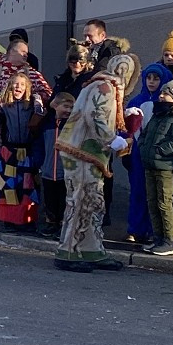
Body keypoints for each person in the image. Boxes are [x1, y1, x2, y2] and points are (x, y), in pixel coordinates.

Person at [52, 53, 139, 272]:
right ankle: (69, 251)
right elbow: (95, 116)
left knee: (92, 201)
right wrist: (113, 139)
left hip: (87, 152)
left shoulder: (104, 86)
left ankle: (91, 249)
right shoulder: (105, 87)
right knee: (81, 200)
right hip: (82, 151)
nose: (123, 74)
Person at [0, 40, 52, 213]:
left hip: (23, 133)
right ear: (11, 51)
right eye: (22, 51)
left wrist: (35, 98)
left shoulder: (32, 73)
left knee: (24, 172)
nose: (26, 55)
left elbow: (48, 93)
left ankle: (21, 206)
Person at [121, 63, 173, 243]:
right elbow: (126, 127)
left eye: (156, 78)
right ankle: (135, 229)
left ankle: (155, 230)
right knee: (137, 191)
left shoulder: (164, 102)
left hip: (157, 153)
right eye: (149, 78)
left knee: (156, 194)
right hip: (137, 152)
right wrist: (125, 151)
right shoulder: (137, 101)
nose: (152, 82)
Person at [139, 80, 173, 257]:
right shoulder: (157, 113)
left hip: (166, 167)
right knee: (152, 202)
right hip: (150, 165)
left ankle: (169, 240)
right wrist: (143, 146)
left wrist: (159, 151)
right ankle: (158, 237)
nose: (161, 96)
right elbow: (145, 134)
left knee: (164, 203)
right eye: (162, 92)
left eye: (166, 93)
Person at [0, 71, 44, 230]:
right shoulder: (5, 105)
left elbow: (40, 120)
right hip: (9, 151)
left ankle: (27, 219)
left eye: (22, 84)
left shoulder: (32, 103)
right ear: (9, 87)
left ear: (27, 87)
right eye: (15, 84)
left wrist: (38, 105)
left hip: (27, 151)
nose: (18, 87)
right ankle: (10, 219)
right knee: (8, 187)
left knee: (28, 186)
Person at [34, 92, 75, 238]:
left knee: (64, 199)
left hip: (65, 171)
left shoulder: (72, 126)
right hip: (47, 169)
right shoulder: (47, 124)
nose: (68, 111)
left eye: (71, 108)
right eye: (65, 106)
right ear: (56, 106)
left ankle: (64, 225)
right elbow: (39, 145)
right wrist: (39, 163)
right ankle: (51, 222)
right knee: (50, 198)